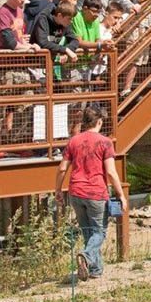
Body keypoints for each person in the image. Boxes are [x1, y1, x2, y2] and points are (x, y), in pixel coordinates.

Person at [55, 106, 127, 281]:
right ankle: (86, 256)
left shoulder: (74, 141)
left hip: (76, 192)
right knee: (99, 232)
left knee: (88, 231)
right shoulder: (105, 142)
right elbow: (110, 172)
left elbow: (63, 168)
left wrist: (57, 189)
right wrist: (121, 194)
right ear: (100, 122)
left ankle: (95, 270)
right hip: (96, 192)